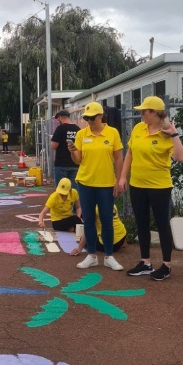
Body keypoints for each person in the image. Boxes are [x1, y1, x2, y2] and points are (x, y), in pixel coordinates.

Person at [119, 96, 183, 281]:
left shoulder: (167, 132)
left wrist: (174, 134)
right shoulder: (138, 128)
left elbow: (180, 157)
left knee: (162, 224)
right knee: (142, 223)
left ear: (154, 113)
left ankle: (166, 265)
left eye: (144, 112)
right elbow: (130, 154)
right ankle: (145, 262)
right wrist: (123, 177)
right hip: (137, 185)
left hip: (159, 186)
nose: (141, 115)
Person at [68, 102, 124, 271]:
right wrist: (72, 150)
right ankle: (91, 255)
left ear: (100, 116)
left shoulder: (112, 133)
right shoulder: (81, 134)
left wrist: (119, 180)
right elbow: (78, 160)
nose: (89, 120)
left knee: (107, 220)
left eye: (92, 117)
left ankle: (109, 256)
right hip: (85, 183)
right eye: (86, 118)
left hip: (106, 184)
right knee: (89, 220)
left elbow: (119, 158)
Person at [51, 109, 80, 188]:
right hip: (75, 163)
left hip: (61, 164)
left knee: (62, 189)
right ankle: (73, 201)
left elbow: (54, 146)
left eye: (58, 119)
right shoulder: (77, 129)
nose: (58, 121)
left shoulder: (60, 129)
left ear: (60, 117)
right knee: (74, 190)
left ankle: (64, 201)